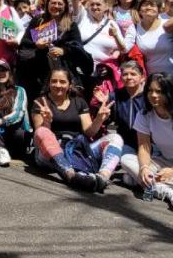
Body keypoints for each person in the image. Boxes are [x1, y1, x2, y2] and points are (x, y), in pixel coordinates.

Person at [32, 68, 122, 193]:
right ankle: (70, 175)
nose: (58, 85)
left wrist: (99, 119)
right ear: (49, 83)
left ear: (70, 84)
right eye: (54, 81)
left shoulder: (79, 102)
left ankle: (103, 177)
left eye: (62, 82)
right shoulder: (41, 102)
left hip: (76, 151)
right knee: (42, 131)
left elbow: (89, 132)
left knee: (116, 138)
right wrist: (47, 121)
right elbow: (39, 137)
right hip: (50, 155)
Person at [17, 0, 88, 105]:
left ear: (65, 6)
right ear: (47, 4)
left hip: (62, 72)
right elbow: (24, 44)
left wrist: (64, 51)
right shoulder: (37, 21)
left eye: (60, 4)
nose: (56, 6)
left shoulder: (70, 24)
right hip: (38, 74)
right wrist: (37, 45)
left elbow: (78, 47)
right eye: (53, 3)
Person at [120, 73, 173, 205]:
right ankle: (166, 190)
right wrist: (144, 168)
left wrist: (172, 171)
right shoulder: (144, 115)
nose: (153, 95)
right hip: (163, 160)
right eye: (150, 90)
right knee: (126, 159)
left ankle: (141, 182)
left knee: (128, 178)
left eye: (159, 91)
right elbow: (144, 146)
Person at [91, 60, 145, 154]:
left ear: (142, 78)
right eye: (125, 74)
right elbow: (109, 123)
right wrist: (100, 105)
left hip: (146, 141)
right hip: (124, 142)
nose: (128, 77)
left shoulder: (148, 97)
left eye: (133, 74)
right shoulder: (114, 96)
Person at [73, 0, 128, 69]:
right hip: (81, 69)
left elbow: (123, 50)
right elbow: (74, 1)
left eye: (98, 4)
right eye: (92, 4)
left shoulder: (111, 23)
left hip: (103, 70)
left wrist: (116, 36)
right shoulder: (83, 16)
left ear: (106, 6)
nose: (95, 7)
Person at [135, 0, 173, 75]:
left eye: (152, 5)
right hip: (150, 77)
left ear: (159, 10)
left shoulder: (168, 24)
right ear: (139, 10)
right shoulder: (134, 28)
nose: (148, 7)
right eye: (145, 5)